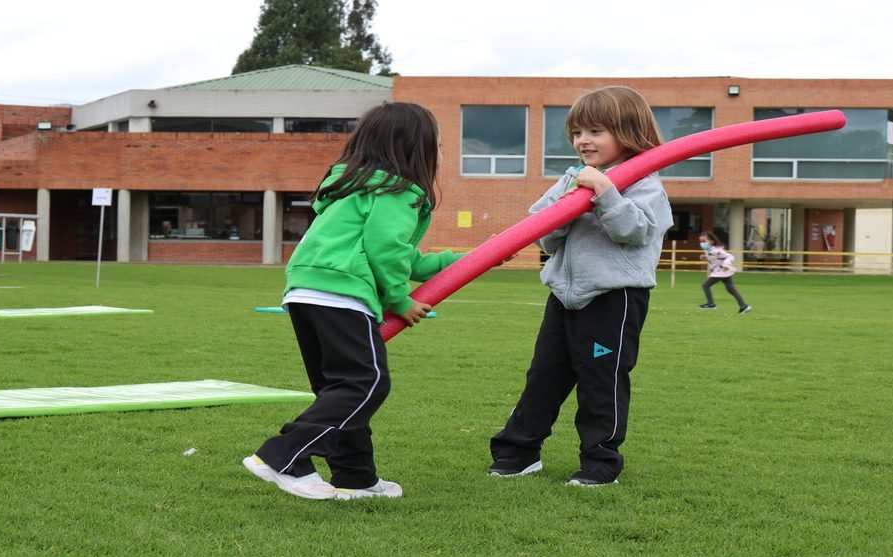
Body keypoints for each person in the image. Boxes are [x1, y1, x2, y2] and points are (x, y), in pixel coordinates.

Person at [243, 102, 463, 500]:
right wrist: (399, 300)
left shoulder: (353, 188)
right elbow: (386, 250)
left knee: (342, 390)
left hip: (306, 292)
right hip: (342, 296)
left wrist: (461, 262)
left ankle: (355, 477)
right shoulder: (399, 191)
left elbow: (401, 255)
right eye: (439, 145)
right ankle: (283, 456)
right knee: (367, 383)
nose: (441, 154)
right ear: (417, 149)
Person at [488, 86, 673, 487]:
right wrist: (568, 208)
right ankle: (517, 453)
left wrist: (605, 194)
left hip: (613, 298)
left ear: (628, 131)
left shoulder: (645, 183)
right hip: (563, 296)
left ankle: (600, 464)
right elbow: (541, 230)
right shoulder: (572, 178)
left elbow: (635, 231)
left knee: (600, 382)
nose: (583, 141)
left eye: (595, 131)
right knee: (543, 377)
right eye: (577, 132)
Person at [698, 231, 751, 314]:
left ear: (711, 241)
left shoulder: (716, 250)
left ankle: (711, 304)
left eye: (704, 241)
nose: (702, 243)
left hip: (721, 272)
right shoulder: (709, 250)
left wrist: (726, 265)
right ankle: (744, 306)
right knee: (731, 289)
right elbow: (715, 258)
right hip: (723, 272)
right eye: (701, 241)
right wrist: (705, 257)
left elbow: (730, 256)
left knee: (705, 285)